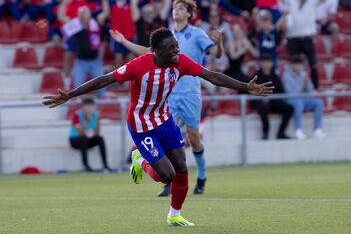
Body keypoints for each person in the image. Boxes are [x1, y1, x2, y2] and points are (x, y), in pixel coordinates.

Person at [43, 27, 273, 226]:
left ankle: (175, 215)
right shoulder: (138, 66)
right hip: (142, 127)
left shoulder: (180, 62)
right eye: (172, 48)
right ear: (157, 51)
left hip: (164, 121)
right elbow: (105, 79)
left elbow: (211, 76)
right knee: (167, 176)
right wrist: (70, 95)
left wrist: (245, 87)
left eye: (177, 46)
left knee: (182, 167)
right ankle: (140, 160)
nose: (177, 50)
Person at [110, 0, 224, 196]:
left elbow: (217, 55)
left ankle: (202, 177)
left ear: (189, 13)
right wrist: (124, 41)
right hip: (167, 94)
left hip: (189, 93)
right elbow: (148, 52)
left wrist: (220, 44)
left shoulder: (197, 34)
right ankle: (168, 182)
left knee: (194, 138)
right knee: (165, 139)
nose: (176, 11)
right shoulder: (167, 35)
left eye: (181, 8)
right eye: (174, 8)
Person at [276, 0, 329, 89]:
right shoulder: (291, 0)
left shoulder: (313, 0)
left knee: (313, 64)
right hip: (293, 38)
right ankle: (294, 87)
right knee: (294, 64)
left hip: (307, 38)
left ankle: (315, 87)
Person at [282, 55, 326, 140]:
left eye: (300, 65)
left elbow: (310, 90)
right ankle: (297, 130)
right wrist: (303, 85)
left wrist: (308, 84)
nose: (299, 67)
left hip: (302, 99)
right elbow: (291, 93)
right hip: (290, 99)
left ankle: (317, 129)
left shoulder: (303, 73)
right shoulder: (286, 75)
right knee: (298, 103)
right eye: (296, 65)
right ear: (292, 65)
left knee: (319, 103)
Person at [253, 54, 293, 140]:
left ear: (271, 63)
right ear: (261, 63)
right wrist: (262, 97)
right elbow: (252, 91)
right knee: (263, 108)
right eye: (264, 62)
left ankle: (281, 133)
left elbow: (281, 91)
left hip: (274, 101)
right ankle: (265, 133)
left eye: (268, 62)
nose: (266, 64)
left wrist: (273, 97)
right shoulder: (256, 76)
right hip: (262, 101)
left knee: (289, 108)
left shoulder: (275, 75)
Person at [69, 98, 112, 172]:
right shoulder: (77, 114)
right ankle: (85, 166)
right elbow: (80, 133)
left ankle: (105, 165)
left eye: (91, 107)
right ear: (83, 107)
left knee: (100, 138)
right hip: (75, 140)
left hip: (88, 138)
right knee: (84, 139)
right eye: (87, 107)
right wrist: (87, 121)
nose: (89, 109)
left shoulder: (96, 114)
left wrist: (93, 133)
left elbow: (97, 131)